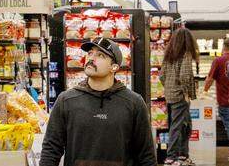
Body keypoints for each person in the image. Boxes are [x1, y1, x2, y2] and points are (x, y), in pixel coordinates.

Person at [40, 37, 157, 166]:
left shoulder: (134, 103)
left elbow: (146, 156)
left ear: (114, 67)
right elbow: (51, 150)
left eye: (100, 55)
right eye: (90, 53)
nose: (91, 58)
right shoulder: (66, 101)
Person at [160, 27, 198, 166]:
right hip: (180, 96)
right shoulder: (186, 54)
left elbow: (161, 76)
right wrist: (186, 93)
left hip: (170, 95)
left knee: (184, 126)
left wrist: (169, 88)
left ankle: (183, 155)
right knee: (178, 126)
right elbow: (185, 76)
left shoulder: (169, 54)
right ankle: (171, 157)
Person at [203, 37, 229, 161]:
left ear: (223, 47)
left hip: (224, 99)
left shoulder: (218, 60)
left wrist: (204, 91)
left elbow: (210, 79)